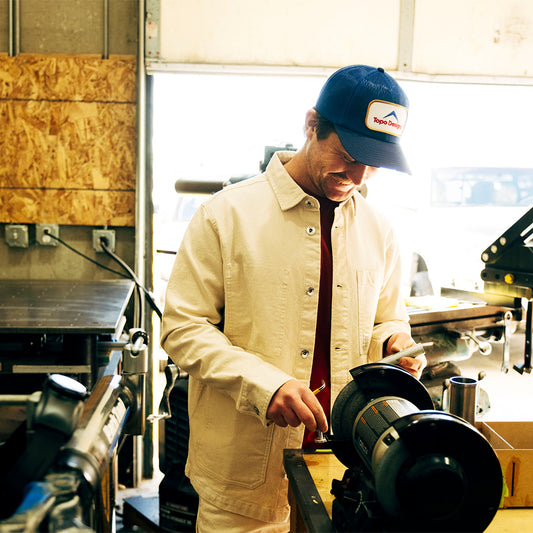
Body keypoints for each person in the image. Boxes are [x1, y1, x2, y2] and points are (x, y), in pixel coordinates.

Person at [161, 64, 426, 532]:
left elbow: (388, 318)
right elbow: (183, 329)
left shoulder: (379, 230)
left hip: (342, 471)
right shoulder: (226, 215)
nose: (357, 175)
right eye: (348, 154)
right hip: (242, 481)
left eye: (373, 164)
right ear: (311, 126)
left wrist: (394, 343)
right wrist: (265, 386)